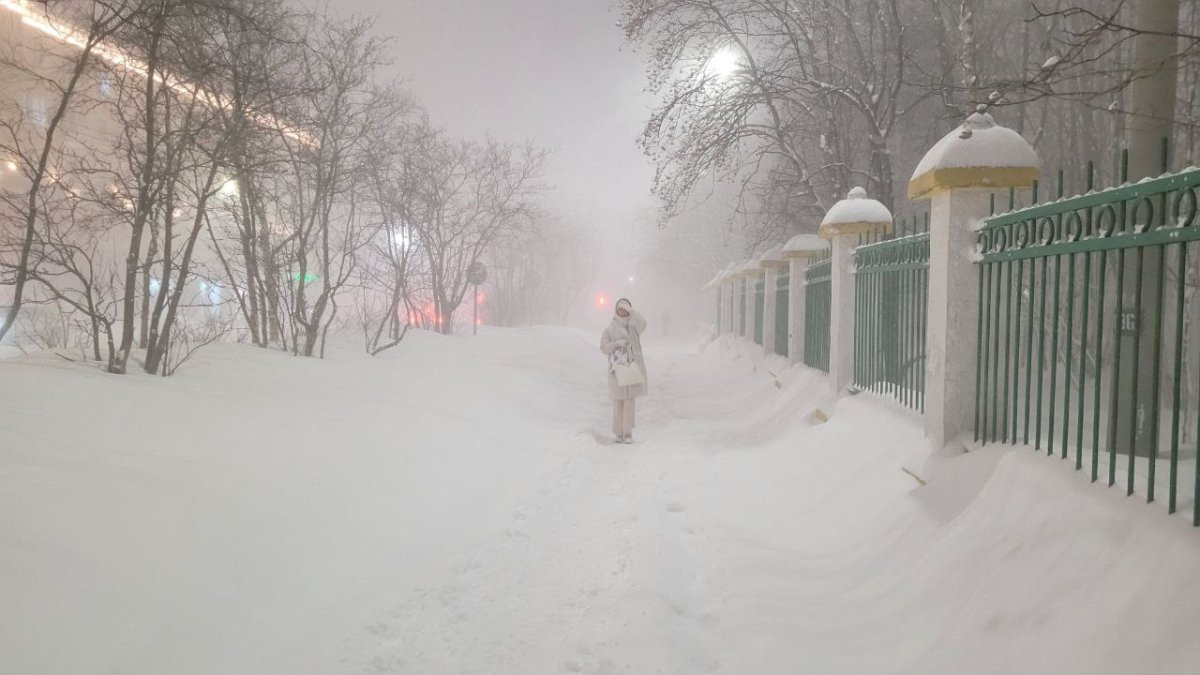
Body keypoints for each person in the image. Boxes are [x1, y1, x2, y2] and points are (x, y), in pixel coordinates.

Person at [600, 298, 647, 444]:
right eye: (620, 309)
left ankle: (628, 433)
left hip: (631, 367)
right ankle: (618, 433)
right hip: (617, 370)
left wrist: (633, 312)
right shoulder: (610, 329)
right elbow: (603, 347)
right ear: (616, 310)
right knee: (618, 402)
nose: (623, 311)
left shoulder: (633, 327)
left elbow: (643, 324)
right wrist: (616, 344)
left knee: (629, 402)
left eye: (625, 309)